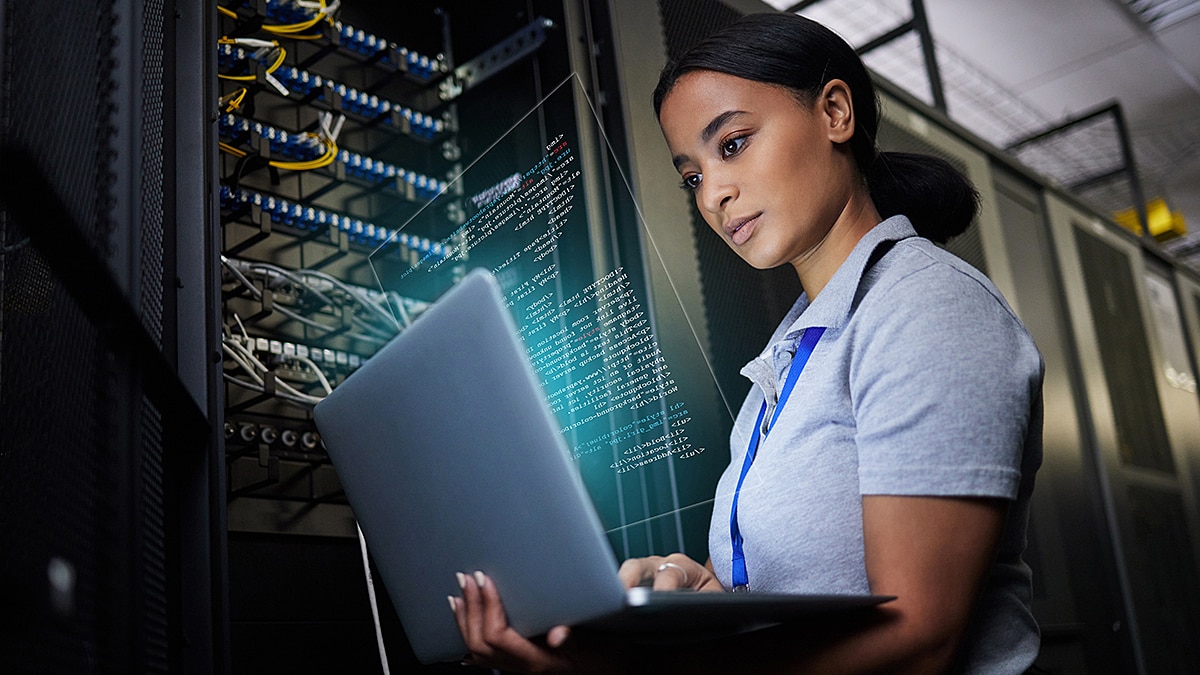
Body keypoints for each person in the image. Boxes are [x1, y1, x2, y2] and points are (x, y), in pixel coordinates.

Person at [450, 11, 1043, 674]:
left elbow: (918, 636)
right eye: (692, 175)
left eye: (731, 144)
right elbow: (800, 594)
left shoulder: (929, 309)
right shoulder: (793, 357)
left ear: (835, 112)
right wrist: (702, 588)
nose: (714, 196)